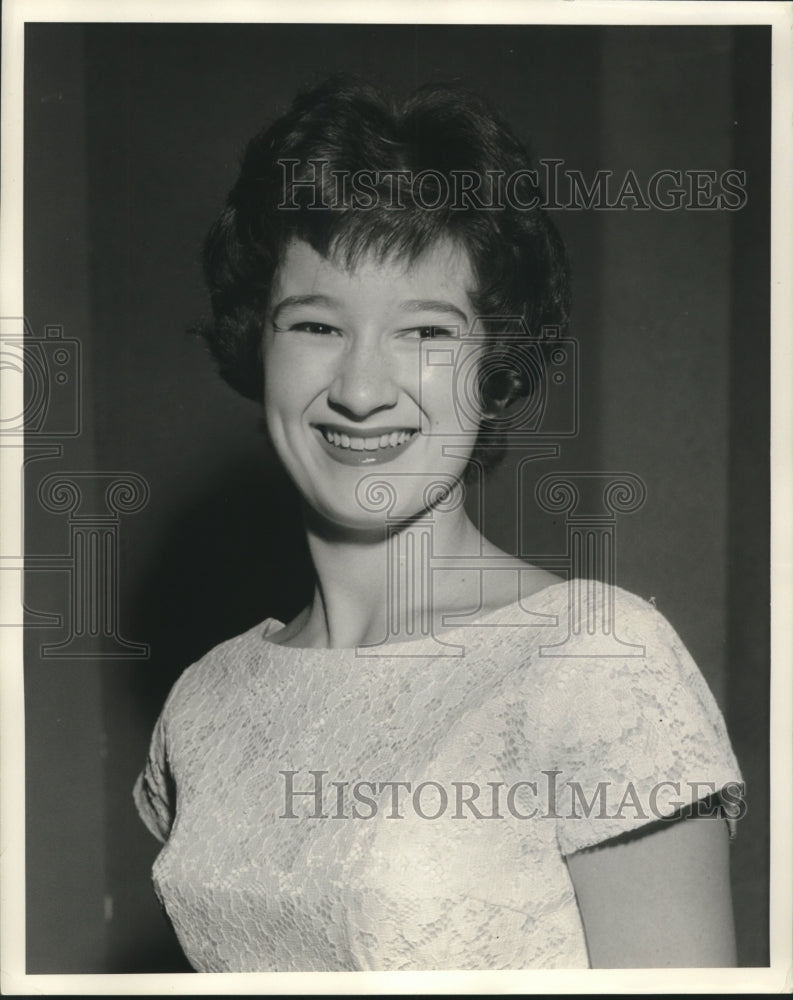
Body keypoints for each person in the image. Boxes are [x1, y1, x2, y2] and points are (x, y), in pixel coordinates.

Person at [133, 76, 743, 971]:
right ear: (255, 344)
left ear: (495, 366)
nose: (361, 389)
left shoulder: (596, 663)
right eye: (314, 324)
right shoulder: (202, 704)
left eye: (426, 333)